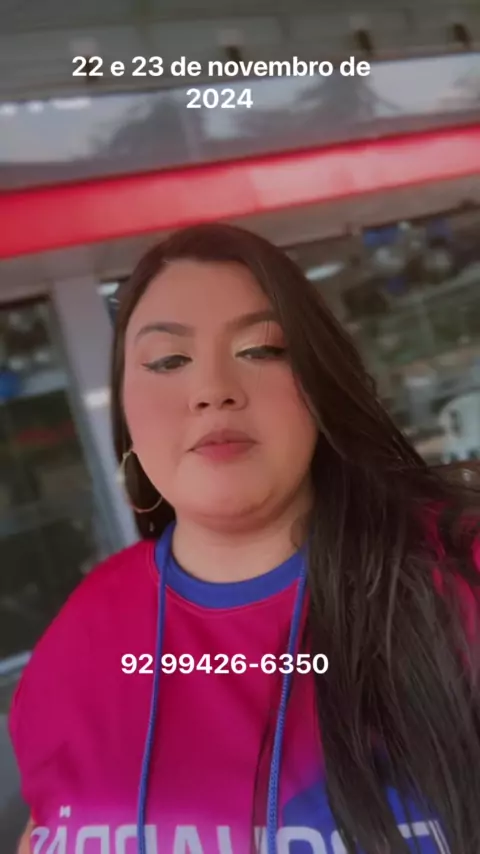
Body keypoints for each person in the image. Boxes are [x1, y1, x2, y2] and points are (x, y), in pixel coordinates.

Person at [9, 223, 480, 854]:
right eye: (168, 361)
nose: (212, 391)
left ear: (320, 386)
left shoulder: (458, 572)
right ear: (125, 414)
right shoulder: (80, 634)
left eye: (261, 350)